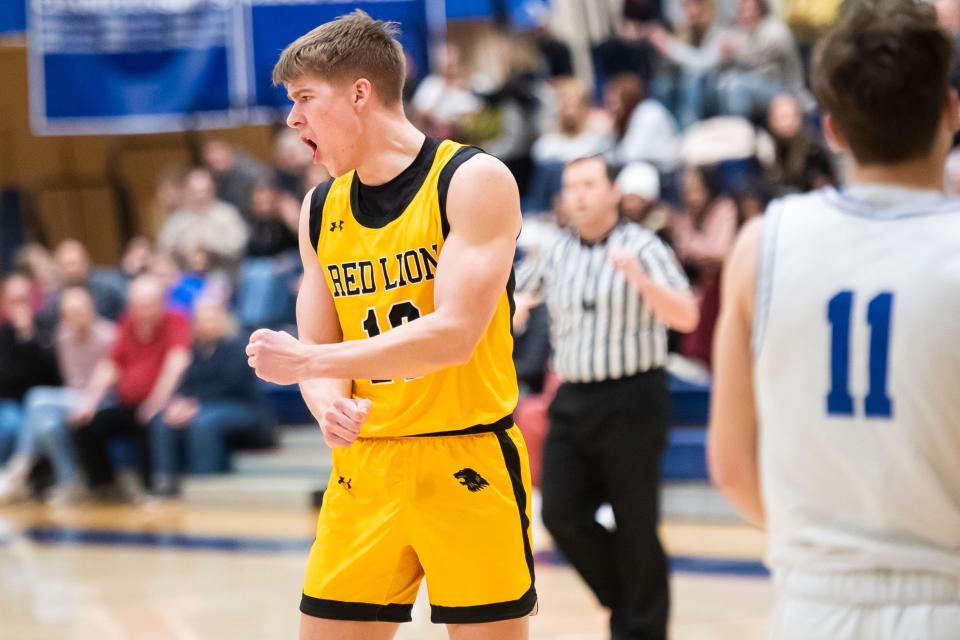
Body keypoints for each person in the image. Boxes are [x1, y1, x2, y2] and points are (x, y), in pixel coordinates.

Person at [245, 11, 535, 640]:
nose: (292, 120)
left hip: (467, 457)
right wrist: (326, 405)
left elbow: (454, 335)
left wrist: (311, 366)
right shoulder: (319, 208)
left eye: (303, 99)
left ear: (359, 93)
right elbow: (318, 341)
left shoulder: (472, 180)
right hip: (366, 468)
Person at [709, 4, 960, 639]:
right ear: (951, 114)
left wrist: (825, 550)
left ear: (833, 131)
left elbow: (732, 468)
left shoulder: (759, 247)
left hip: (811, 604)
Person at [516, 156, 698, 640]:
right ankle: (628, 599)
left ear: (613, 192)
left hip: (633, 398)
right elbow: (520, 296)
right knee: (560, 512)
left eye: (589, 184)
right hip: (573, 396)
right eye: (571, 186)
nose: (579, 194)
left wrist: (639, 280)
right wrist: (512, 308)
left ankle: (641, 627)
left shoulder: (644, 246)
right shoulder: (554, 251)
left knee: (636, 522)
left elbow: (686, 316)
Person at [71, 276, 191, 498]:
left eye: (149, 306)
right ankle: (104, 487)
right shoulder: (127, 323)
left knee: (149, 423)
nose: (143, 313)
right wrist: (89, 403)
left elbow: (176, 363)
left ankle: (152, 490)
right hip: (128, 404)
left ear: (161, 303)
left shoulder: (176, 320)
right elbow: (110, 365)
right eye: (138, 307)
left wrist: (155, 403)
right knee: (85, 426)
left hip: (162, 403)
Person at [0, 286, 115, 504]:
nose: (74, 318)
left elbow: (111, 382)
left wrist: (86, 402)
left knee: (36, 397)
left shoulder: (109, 335)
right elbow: (64, 379)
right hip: (71, 398)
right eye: (69, 314)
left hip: (102, 399)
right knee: (47, 426)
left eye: (79, 312)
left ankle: (19, 467)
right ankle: (70, 481)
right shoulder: (62, 335)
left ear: (91, 309)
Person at [151, 299, 267, 496]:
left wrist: (195, 405)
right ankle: (166, 481)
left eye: (211, 320)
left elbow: (232, 385)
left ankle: (206, 483)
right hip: (205, 406)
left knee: (203, 423)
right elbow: (186, 385)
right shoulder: (193, 351)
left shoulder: (237, 347)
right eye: (202, 321)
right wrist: (179, 404)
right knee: (164, 421)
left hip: (242, 406)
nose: (207, 325)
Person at [0, 274, 61, 463]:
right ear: (5, 303)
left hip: (45, 401)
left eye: (24, 300)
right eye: (14, 301)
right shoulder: (2, 333)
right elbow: (6, 378)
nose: (20, 307)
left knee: (46, 424)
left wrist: (30, 339)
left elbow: (54, 374)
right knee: (10, 424)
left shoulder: (47, 327)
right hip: (11, 401)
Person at [157, 167, 249, 272]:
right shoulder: (177, 219)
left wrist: (210, 249)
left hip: (222, 271)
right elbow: (165, 249)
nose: (200, 196)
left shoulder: (227, 214)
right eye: (195, 191)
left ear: (213, 190)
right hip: (185, 273)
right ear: (187, 191)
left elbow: (238, 247)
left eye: (205, 191)